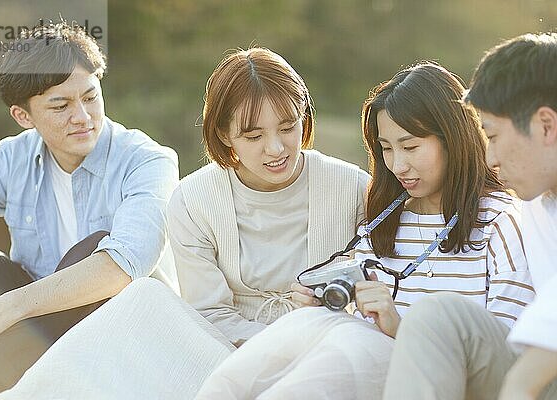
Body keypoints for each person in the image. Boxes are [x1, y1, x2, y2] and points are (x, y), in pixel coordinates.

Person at [0, 47, 371, 399]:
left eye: (288, 128)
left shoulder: (352, 188)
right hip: (225, 346)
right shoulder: (196, 197)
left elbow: (375, 286)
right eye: (253, 136)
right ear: (224, 135)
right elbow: (210, 315)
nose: (276, 148)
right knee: (141, 298)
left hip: (325, 345)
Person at [194, 62, 536, 400]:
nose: (398, 165)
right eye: (386, 148)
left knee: (344, 349)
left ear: (453, 138)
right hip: (376, 365)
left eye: (411, 146)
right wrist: (324, 304)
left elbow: (504, 353)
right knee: (306, 326)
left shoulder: (499, 221)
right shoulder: (382, 221)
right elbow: (358, 323)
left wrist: (397, 327)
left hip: (453, 381)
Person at [0, 22, 179, 397]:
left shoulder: (147, 160)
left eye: (90, 97)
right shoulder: (14, 157)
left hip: (123, 328)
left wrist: (6, 310)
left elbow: (124, 266)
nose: (83, 117)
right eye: (60, 106)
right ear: (24, 117)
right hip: (32, 326)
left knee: (94, 249)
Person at [383, 33, 557, 400]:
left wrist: (520, 384)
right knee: (435, 316)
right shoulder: (535, 205)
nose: (490, 158)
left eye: (493, 136)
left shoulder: (503, 217)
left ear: (545, 125)